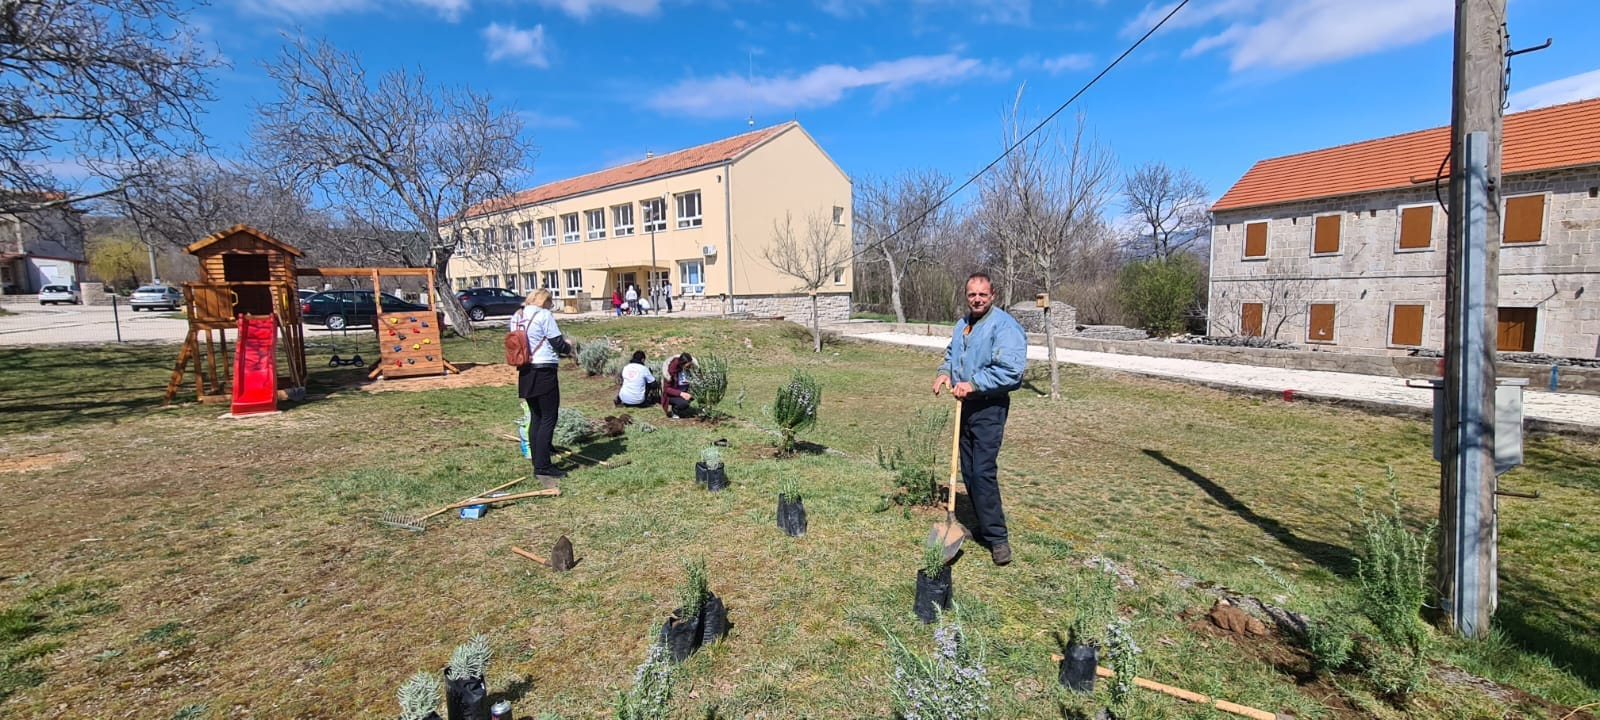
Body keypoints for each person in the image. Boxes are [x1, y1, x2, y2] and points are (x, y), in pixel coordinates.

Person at [933, 272, 1026, 566]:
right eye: (972, 294)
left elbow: (1011, 371)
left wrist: (973, 383)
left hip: (989, 407)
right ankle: (984, 530)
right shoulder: (963, 325)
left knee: (983, 472)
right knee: (970, 472)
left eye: (982, 294)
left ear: (993, 295)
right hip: (966, 406)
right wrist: (944, 373)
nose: (977, 299)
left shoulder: (1004, 327)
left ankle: (998, 540)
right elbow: (952, 355)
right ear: (966, 295)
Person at [510, 289, 574, 479]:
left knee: (536, 417)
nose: (550, 306)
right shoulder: (544, 315)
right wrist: (568, 344)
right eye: (550, 303)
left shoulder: (517, 316)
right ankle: (543, 466)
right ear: (544, 301)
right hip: (544, 369)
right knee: (548, 417)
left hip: (525, 370)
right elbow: (558, 345)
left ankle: (538, 459)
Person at [660, 352, 696, 419]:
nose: (689, 368)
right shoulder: (670, 371)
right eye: (687, 366)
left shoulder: (687, 370)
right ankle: (675, 411)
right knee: (683, 403)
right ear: (682, 364)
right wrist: (681, 393)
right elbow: (666, 389)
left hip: (683, 390)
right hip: (672, 395)